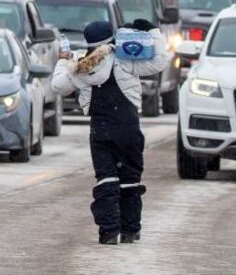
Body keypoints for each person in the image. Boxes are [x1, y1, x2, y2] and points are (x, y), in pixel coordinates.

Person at [51, 18, 168, 245]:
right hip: (129, 128)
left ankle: (109, 232)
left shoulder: (81, 68)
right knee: (130, 179)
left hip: (100, 131)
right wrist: (153, 31)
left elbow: (58, 86)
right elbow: (160, 60)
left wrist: (63, 61)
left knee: (106, 179)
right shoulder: (125, 60)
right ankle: (130, 230)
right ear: (112, 39)